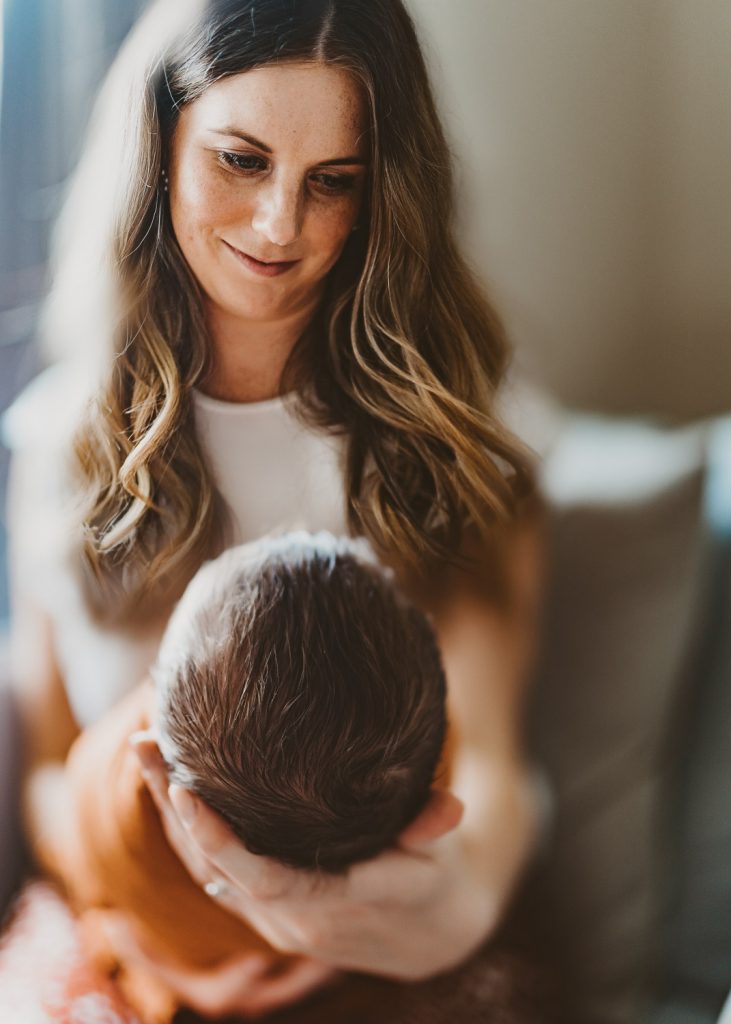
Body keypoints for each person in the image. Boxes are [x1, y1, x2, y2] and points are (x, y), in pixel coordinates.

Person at [6, 0, 546, 1017]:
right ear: (158, 144)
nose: (277, 227)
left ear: (383, 195)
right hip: (126, 949)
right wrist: (158, 939)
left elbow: (491, 767)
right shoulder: (57, 447)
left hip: (382, 965)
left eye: (332, 182)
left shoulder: (452, 444)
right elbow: (43, 765)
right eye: (240, 160)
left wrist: (433, 914)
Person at [50, 530, 452, 1023]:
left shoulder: (112, 792)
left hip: (182, 979)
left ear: (155, 732)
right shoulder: (419, 755)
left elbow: (77, 859)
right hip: (361, 981)